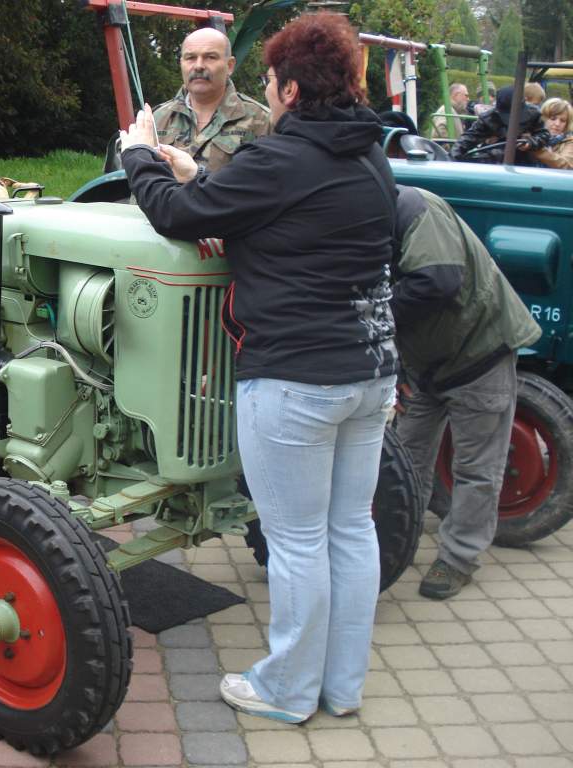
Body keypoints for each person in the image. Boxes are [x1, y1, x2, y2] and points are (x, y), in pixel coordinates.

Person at [121, 12, 397, 723]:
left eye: (272, 79)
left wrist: (140, 155)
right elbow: (288, 217)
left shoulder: (281, 159)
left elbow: (179, 217)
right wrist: (199, 177)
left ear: (293, 90)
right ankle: (341, 685)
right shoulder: (370, 156)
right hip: (371, 372)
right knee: (350, 529)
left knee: (297, 539)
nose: (268, 91)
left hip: (296, 377)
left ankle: (286, 690)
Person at [391, 186, 541, 599]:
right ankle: (397, 539)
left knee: (477, 469)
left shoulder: (416, 209)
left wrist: (375, 312)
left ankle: (459, 558)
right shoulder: (365, 216)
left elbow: (437, 280)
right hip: (425, 365)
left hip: (480, 353)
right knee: (404, 461)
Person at [151, 26, 270, 174]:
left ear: (230, 65)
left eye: (210, 57)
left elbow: (270, 187)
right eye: (191, 58)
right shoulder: (157, 119)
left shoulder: (262, 121)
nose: (199, 66)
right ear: (181, 63)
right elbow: (141, 185)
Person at [450, 85, 550, 165]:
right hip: (494, 163)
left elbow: (544, 135)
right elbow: (468, 138)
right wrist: (452, 159)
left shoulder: (533, 115)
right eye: (507, 116)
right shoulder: (489, 119)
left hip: (525, 164)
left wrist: (530, 143)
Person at [531, 97, 573, 169]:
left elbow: (567, 165)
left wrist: (537, 149)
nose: (557, 124)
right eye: (553, 119)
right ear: (543, 118)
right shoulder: (530, 135)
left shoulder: (569, 141)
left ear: (567, 124)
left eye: (562, 121)